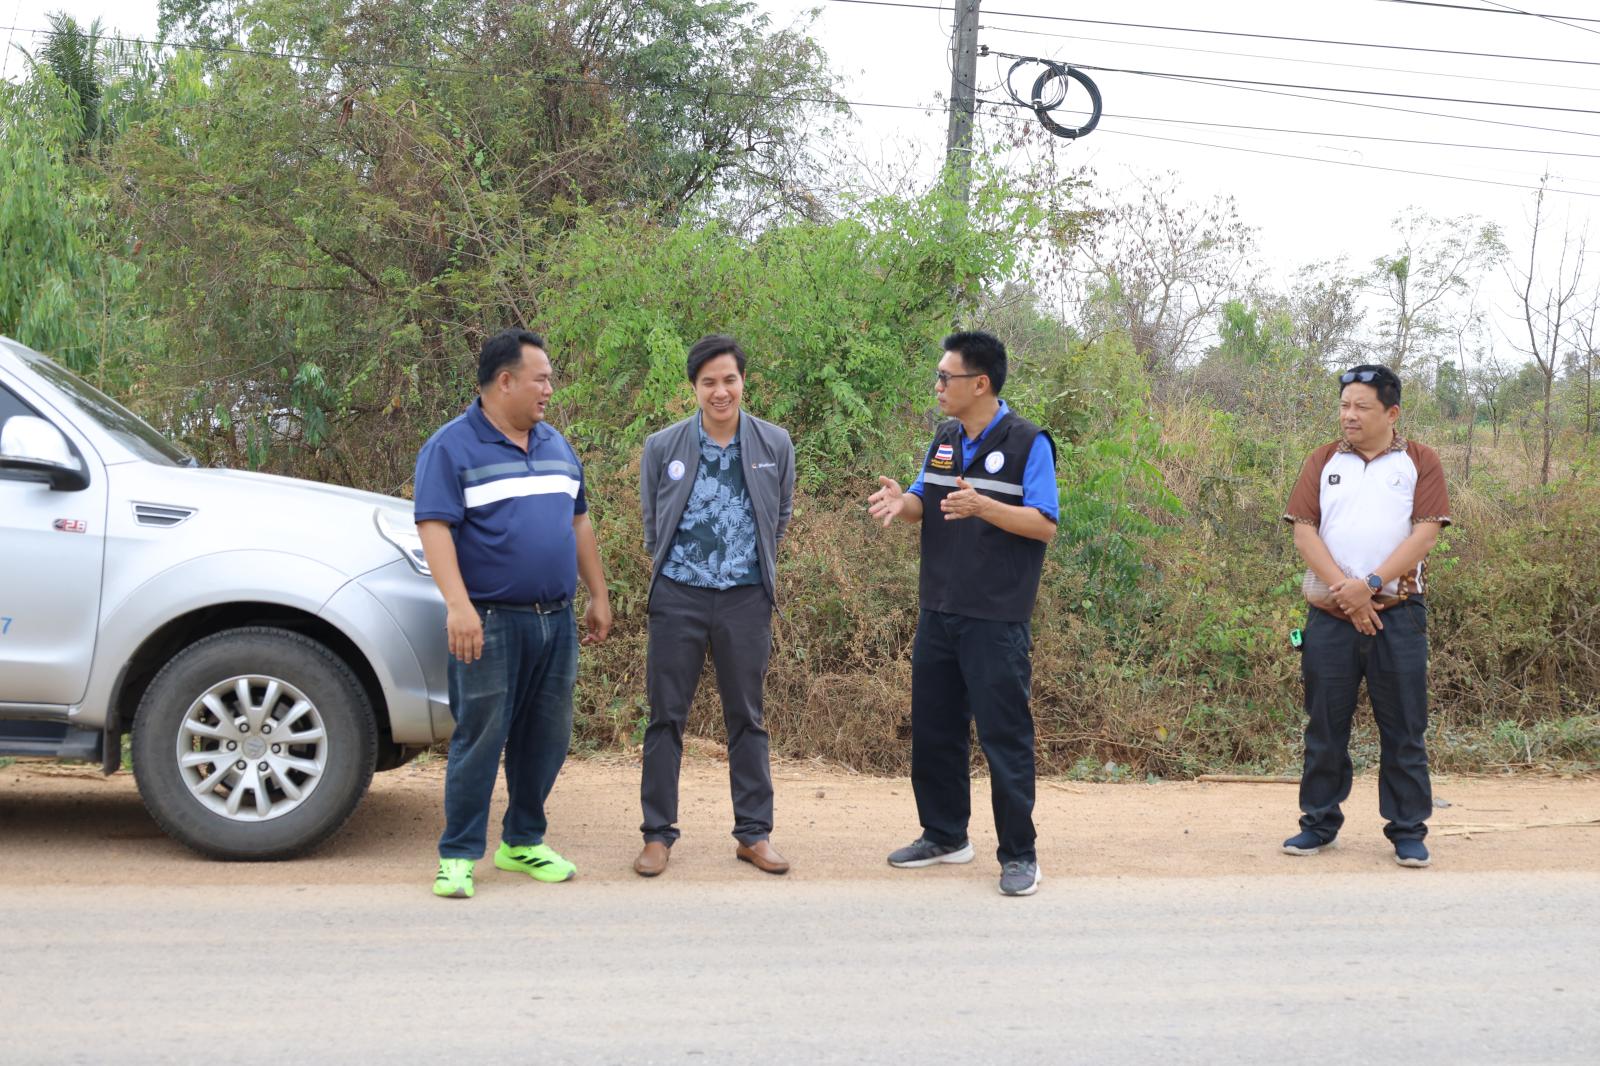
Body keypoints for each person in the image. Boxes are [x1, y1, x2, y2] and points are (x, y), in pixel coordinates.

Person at [413, 329, 612, 899]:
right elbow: (434, 527)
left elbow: (578, 521)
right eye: (540, 379)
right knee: (480, 737)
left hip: (556, 619)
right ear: (505, 381)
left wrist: (597, 594)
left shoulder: (555, 444)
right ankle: (458, 854)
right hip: (489, 622)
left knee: (545, 737)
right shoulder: (450, 448)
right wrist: (459, 607)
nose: (549, 389)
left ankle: (523, 841)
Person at [867, 330, 1058, 897]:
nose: (938, 386)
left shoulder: (1028, 442)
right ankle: (945, 834)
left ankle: (1019, 855)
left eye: (945, 377)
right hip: (939, 608)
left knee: (1004, 737)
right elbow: (922, 500)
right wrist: (901, 503)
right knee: (934, 728)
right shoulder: (946, 438)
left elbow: (1044, 524)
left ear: (980, 383)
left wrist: (984, 506)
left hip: (996, 617)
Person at [634, 334, 796, 878]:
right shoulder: (663, 446)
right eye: (709, 382)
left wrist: (746, 567)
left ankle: (754, 834)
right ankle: (657, 835)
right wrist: (678, 573)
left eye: (729, 379)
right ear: (694, 388)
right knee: (665, 717)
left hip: (746, 598)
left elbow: (778, 516)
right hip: (677, 594)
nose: (720, 391)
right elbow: (654, 521)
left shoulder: (774, 444)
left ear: (743, 381)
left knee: (747, 716)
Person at [1281, 364, 1450, 869]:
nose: (1349, 416)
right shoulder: (1322, 459)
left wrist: (1370, 585)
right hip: (1329, 617)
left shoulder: (1420, 461)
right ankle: (1318, 824)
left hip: (1399, 614)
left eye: (1361, 407)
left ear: (1391, 413)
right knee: (1324, 726)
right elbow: (1304, 532)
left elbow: (1425, 533)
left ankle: (1407, 831)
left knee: (1404, 727)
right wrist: (1347, 592)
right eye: (1344, 405)